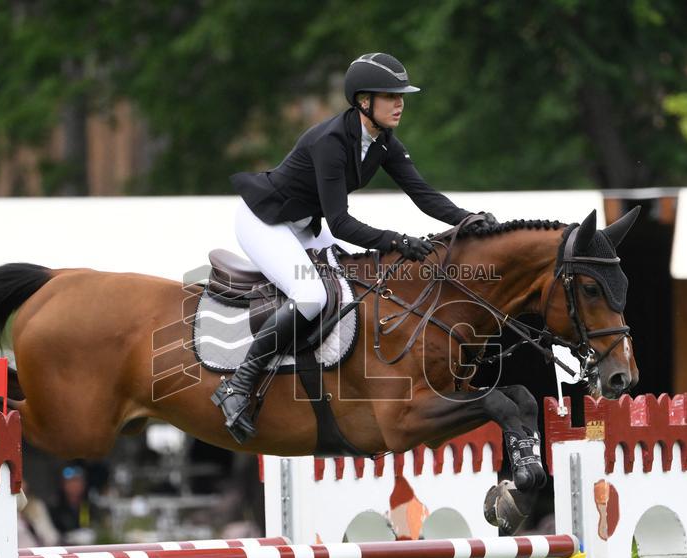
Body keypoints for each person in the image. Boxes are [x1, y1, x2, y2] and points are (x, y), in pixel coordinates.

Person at [213, 52, 497, 443]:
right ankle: (238, 385)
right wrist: (396, 240)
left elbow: (423, 195)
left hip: (302, 224)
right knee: (311, 295)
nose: (400, 104)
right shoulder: (331, 141)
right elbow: (342, 222)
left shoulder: (384, 143)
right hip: (265, 220)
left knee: (350, 285)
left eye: (402, 96)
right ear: (364, 101)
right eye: (390, 96)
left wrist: (468, 219)